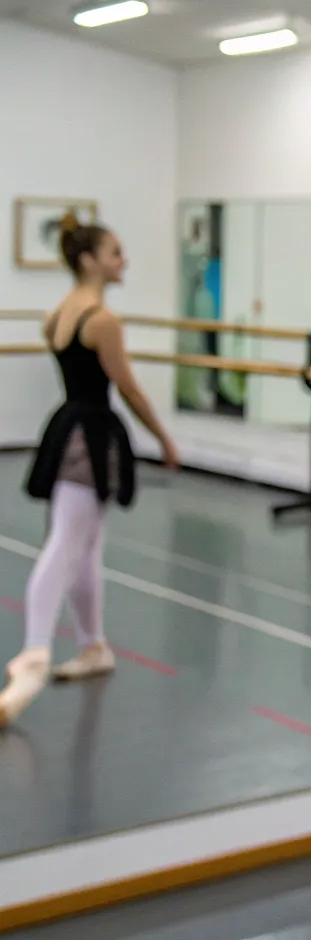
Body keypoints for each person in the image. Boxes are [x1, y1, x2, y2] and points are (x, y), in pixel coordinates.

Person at [0, 213, 179, 728]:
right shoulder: (101, 321)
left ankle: (94, 645)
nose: (124, 262)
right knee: (67, 543)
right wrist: (164, 437)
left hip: (68, 427)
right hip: (91, 436)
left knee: (87, 544)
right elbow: (128, 389)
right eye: (115, 252)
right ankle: (35, 653)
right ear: (89, 260)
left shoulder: (58, 314)